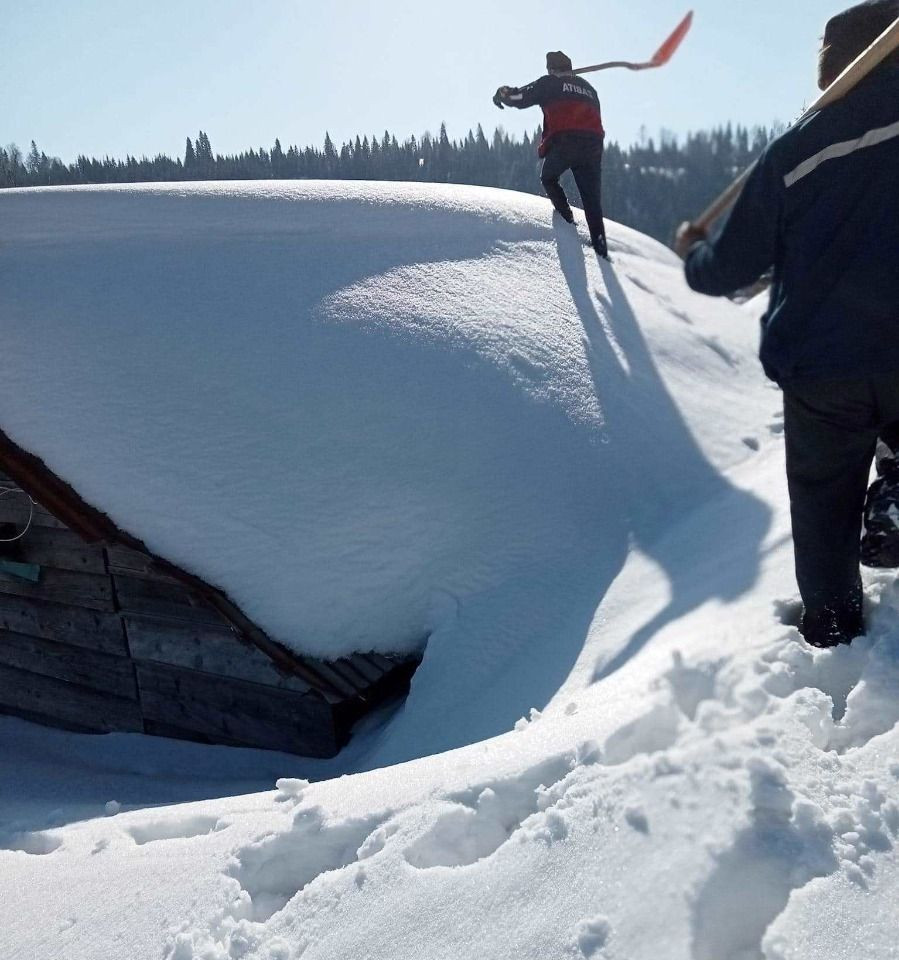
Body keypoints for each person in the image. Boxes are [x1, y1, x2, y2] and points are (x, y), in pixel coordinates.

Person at [673, 0, 899, 648]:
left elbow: (727, 270)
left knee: (823, 501)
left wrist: (692, 252)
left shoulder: (794, 153)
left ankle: (831, 627)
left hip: (820, 366)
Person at [493, 52, 608, 257]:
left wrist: (503, 93)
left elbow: (521, 97)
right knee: (592, 200)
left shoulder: (549, 83)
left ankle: (567, 218)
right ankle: (600, 246)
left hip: (566, 141)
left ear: (551, 69)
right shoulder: (590, 89)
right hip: (593, 144)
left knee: (548, 177)